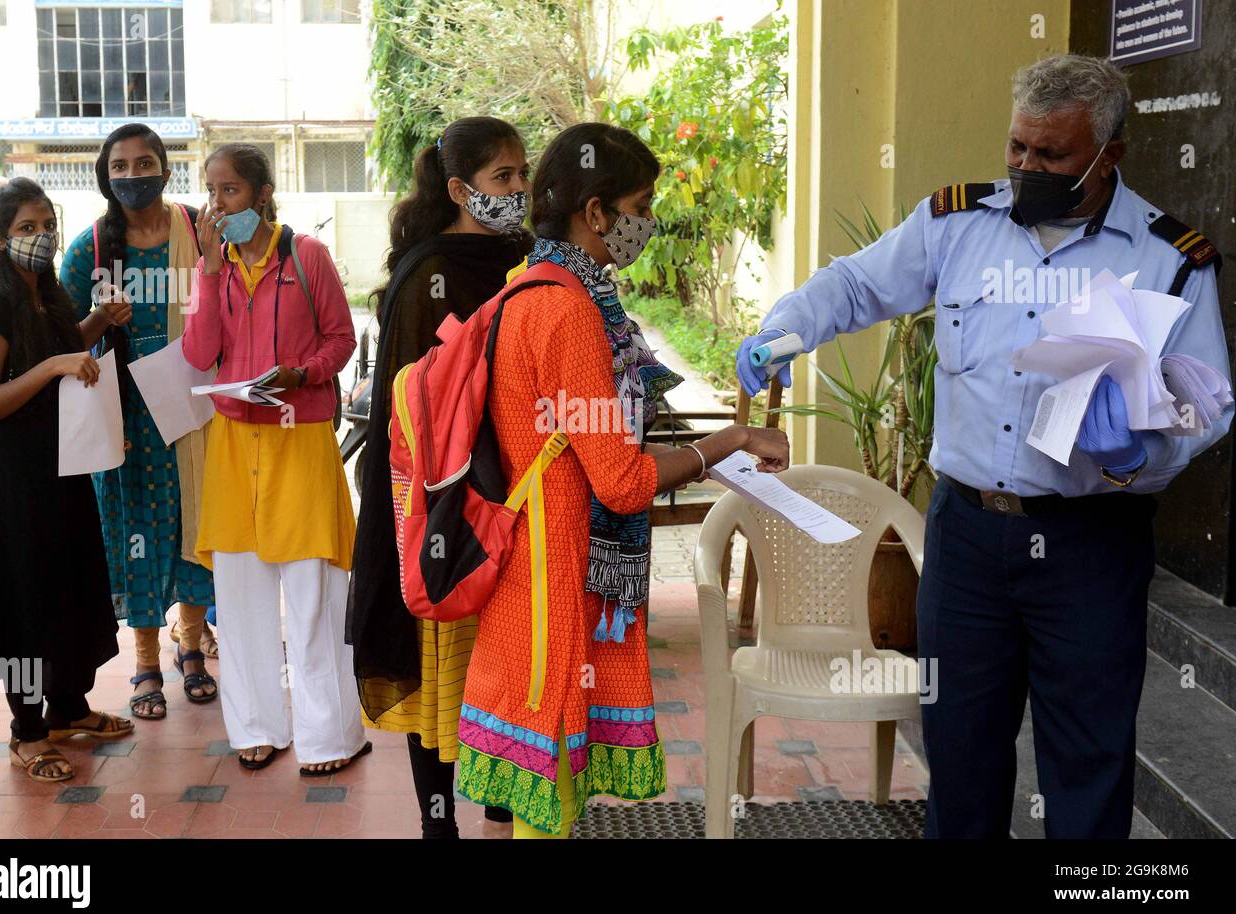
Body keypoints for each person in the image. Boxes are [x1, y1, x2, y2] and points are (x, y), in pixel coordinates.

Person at [737, 54, 1233, 839]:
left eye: (1053, 155)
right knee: (960, 757)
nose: (1027, 167)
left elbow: (1207, 403)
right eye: (1018, 148)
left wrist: (1143, 455)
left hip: (1088, 544)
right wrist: (782, 329)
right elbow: (860, 285)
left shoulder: (1168, 260)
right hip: (968, 541)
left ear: (1111, 155)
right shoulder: (957, 225)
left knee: (1087, 761)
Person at [454, 123, 790, 837]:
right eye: (642, 203)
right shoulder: (571, 311)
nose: (649, 221)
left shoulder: (532, 283)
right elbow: (623, 482)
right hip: (555, 583)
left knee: (538, 805)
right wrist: (728, 442)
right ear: (597, 211)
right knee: (548, 810)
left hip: (531, 568)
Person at [347, 116, 532, 838]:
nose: (518, 190)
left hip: (515, 493)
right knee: (442, 663)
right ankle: (437, 820)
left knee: (500, 658)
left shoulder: (527, 261)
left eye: (523, 174)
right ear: (460, 189)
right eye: (502, 178)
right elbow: (412, 401)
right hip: (443, 498)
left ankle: (501, 796)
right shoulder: (431, 273)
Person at [182, 144, 369, 775]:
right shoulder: (214, 267)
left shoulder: (306, 257)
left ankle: (330, 738)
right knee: (239, 598)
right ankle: (258, 728)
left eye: (230, 191)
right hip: (235, 446)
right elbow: (202, 351)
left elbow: (340, 340)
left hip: (299, 438)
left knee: (314, 596)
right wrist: (208, 272)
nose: (218, 204)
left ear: (262, 194)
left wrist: (302, 374)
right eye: (212, 191)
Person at [0, 178, 133, 784]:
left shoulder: (51, 295)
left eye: (44, 225)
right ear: (0, 239)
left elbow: (64, 350)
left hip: (60, 468)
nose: (40, 237)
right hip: (9, 482)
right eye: (25, 229)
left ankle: (68, 710)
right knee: (25, 595)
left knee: (68, 584)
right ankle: (27, 732)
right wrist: (55, 365)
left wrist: (96, 323)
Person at [59, 123, 217, 723]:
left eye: (143, 162)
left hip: (197, 413)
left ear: (166, 169)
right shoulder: (90, 250)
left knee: (196, 527)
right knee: (140, 536)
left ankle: (192, 646)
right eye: (119, 166)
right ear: (106, 174)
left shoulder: (199, 235)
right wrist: (100, 320)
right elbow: (60, 345)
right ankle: (146, 660)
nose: (132, 175)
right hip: (126, 424)